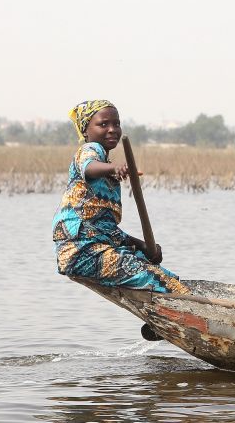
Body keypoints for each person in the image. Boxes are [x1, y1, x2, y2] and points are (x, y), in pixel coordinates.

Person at [52, 100, 189, 294]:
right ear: (85, 131)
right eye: (103, 124)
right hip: (81, 252)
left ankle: (161, 316)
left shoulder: (106, 174)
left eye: (116, 124)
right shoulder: (90, 150)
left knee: (157, 270)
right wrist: (114, 167)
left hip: (97, 247)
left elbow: (106, 228)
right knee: (160, 281)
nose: (112, 129)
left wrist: (144, 246)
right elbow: (88, 165)